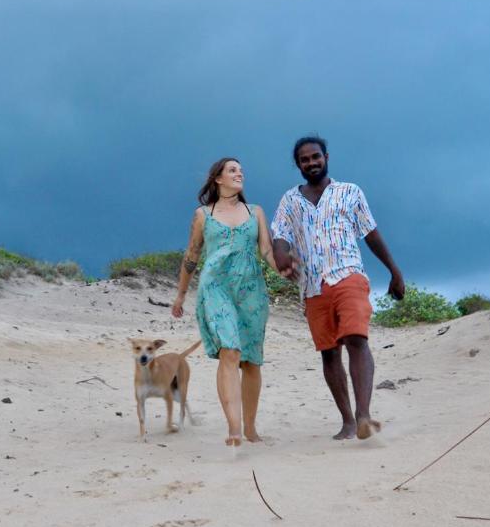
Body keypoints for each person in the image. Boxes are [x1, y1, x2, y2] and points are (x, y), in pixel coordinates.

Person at [271, 136, 405, 440]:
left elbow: (370, 233)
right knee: (329, 353)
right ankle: (347, 421)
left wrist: (394, 271)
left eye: (315, 157)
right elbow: (279, 234)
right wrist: (280, 254)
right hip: (313, 286)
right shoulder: (289, 201)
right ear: (298, 165)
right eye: (304, 160)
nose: (311, 163)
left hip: (348, 275)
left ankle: (364, 415)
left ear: (326, 157)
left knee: (356, 338)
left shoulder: (350, 192)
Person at [172, 157, 277, 447]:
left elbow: (267, 251)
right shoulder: (203, 214)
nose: (239, 173)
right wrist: (181, 294)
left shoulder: (255, 212)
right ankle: (234, 429)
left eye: (241, 170)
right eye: (232, 170)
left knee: (251, 361)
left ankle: (251, 429)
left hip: (251, 289)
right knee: (230, 350)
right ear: (217, 178)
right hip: (216, 286)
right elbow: (192, 256)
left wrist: (288, 271)